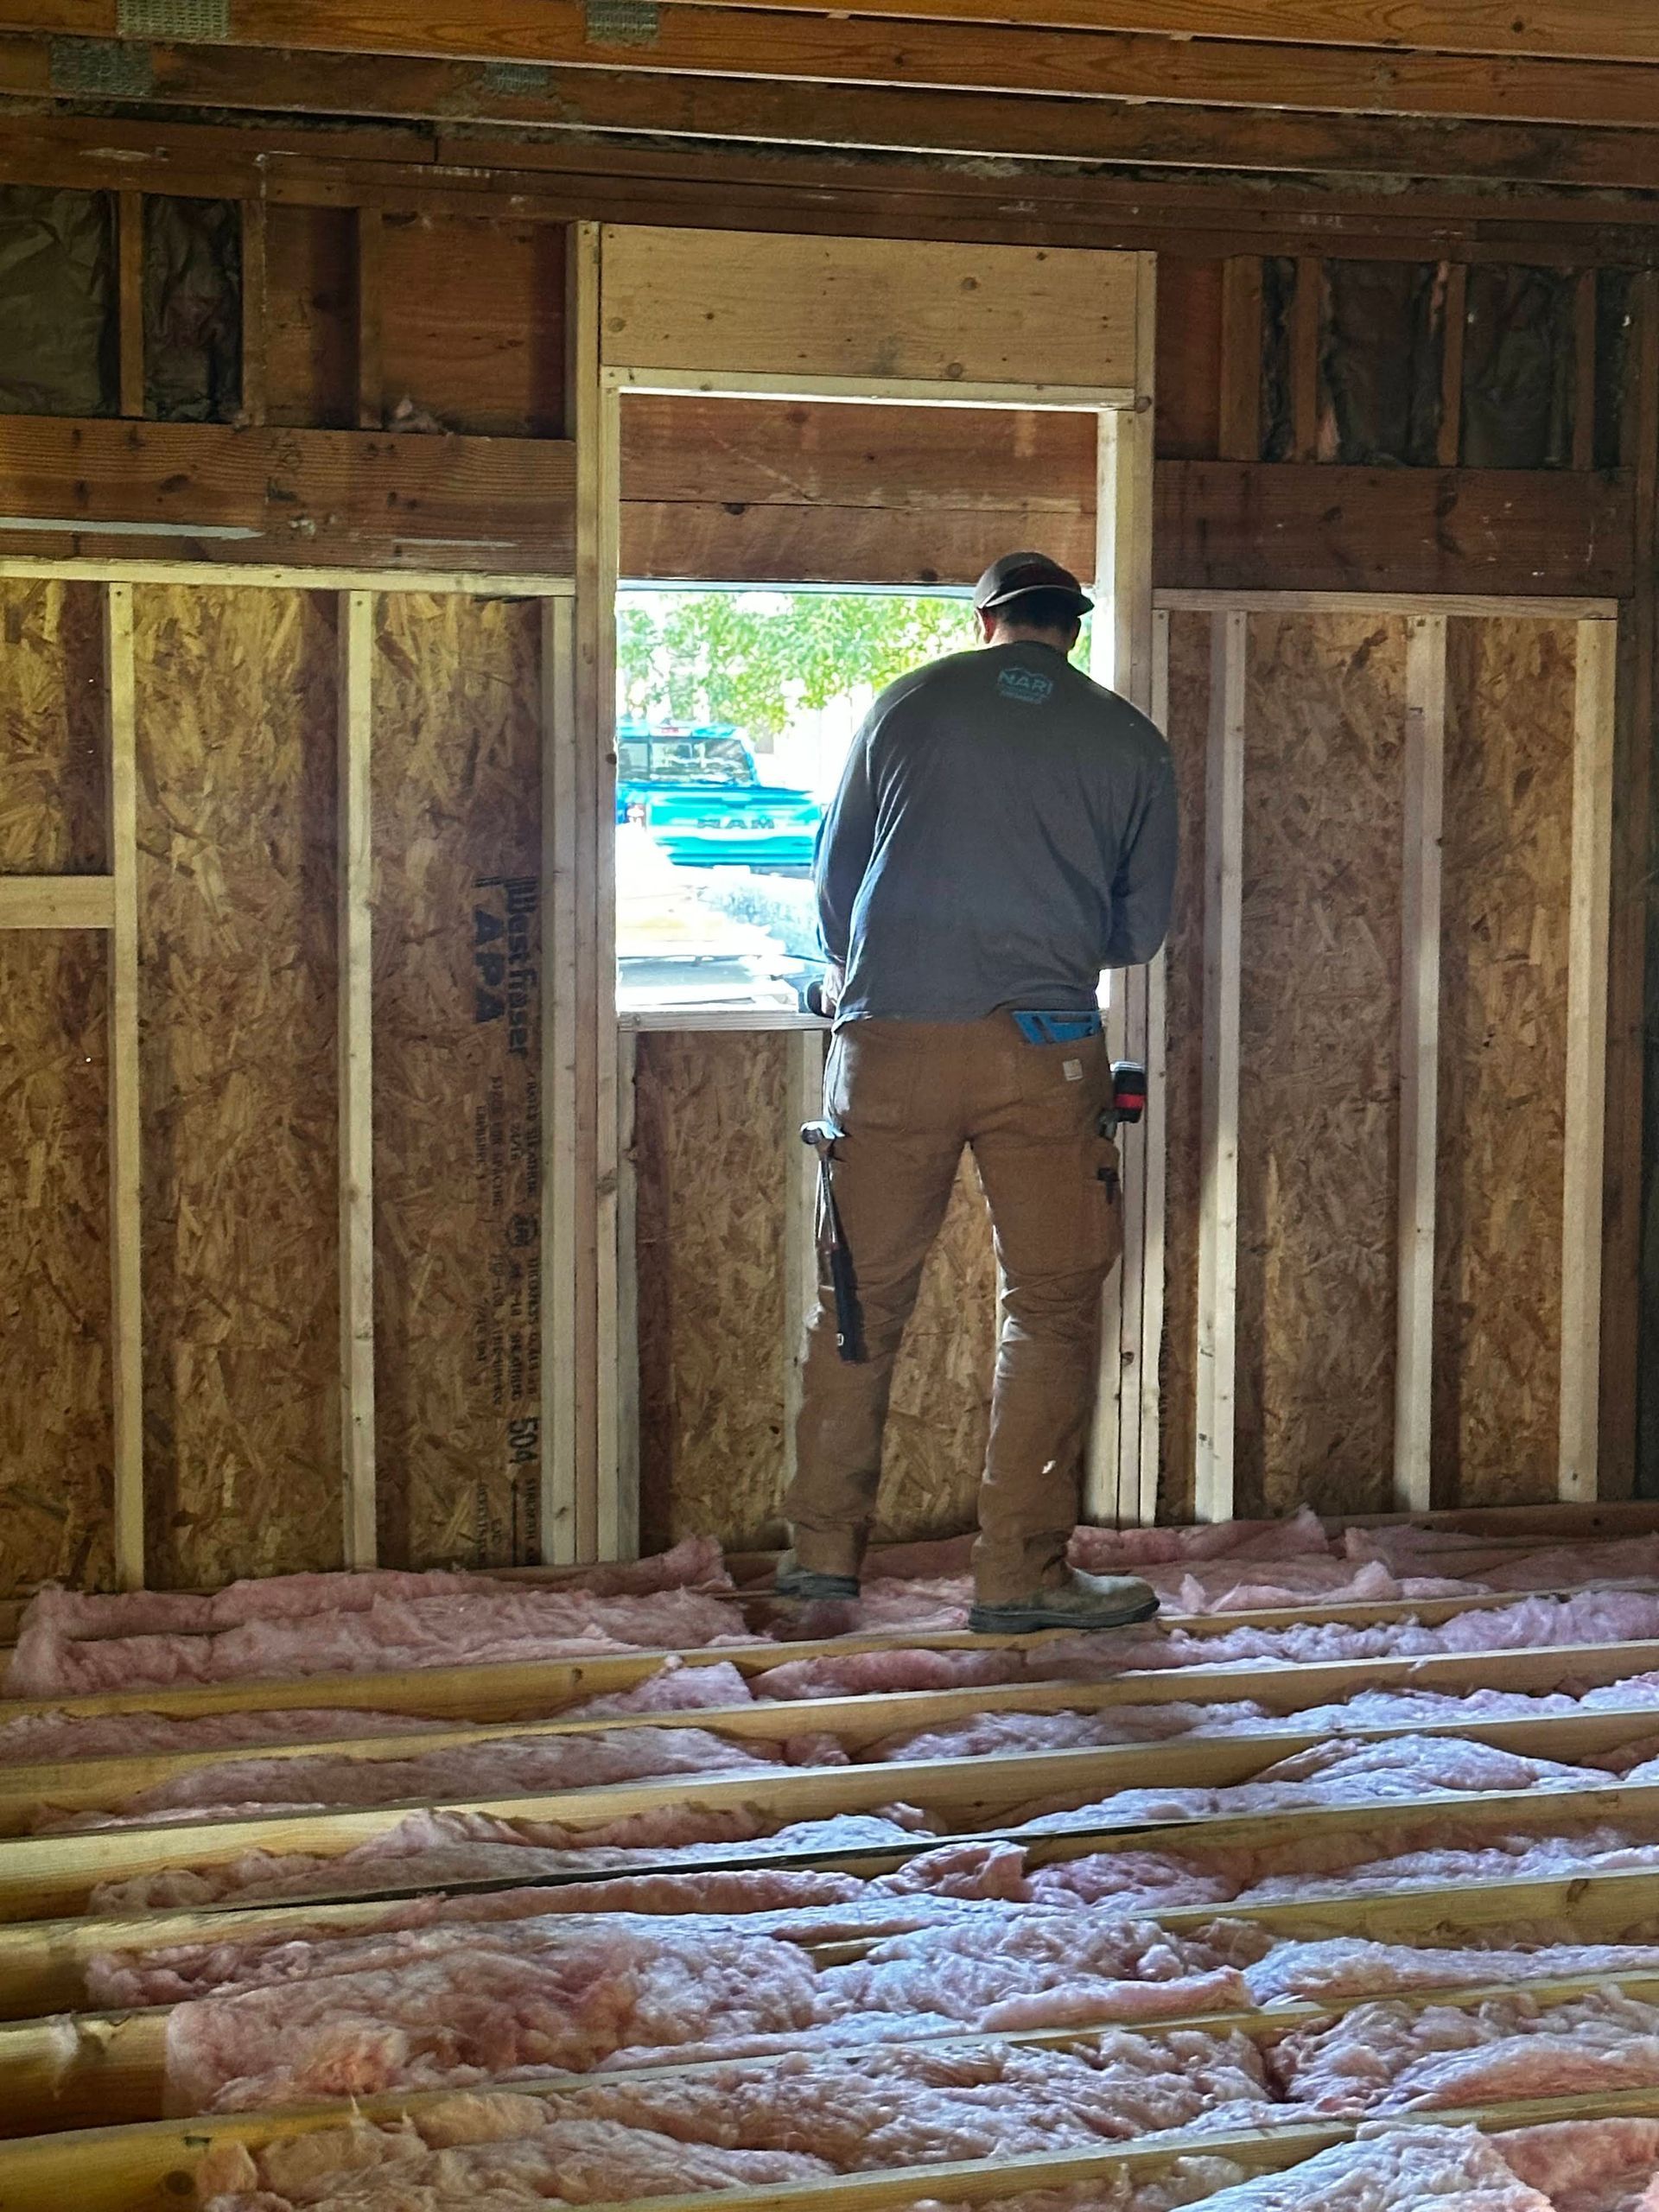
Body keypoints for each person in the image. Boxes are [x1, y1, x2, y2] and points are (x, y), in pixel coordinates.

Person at [777, 551, 1179, 1635]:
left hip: (889, 1044)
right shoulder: (1130, 739)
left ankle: (821, 1566)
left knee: (856, 1306)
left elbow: (834, 895)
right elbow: (1137, 934)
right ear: (1071, 631)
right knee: (1048, 1312)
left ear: (987, 622)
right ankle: (1019, 1577)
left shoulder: (906, 705)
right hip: (1043, 1054)